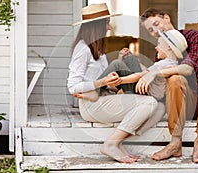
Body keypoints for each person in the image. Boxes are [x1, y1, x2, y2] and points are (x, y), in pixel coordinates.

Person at [67, 3, 165, 163]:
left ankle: (119, 138)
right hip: (91, 105)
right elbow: (72, 86)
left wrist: (119, 63)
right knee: (150, 103)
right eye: (106, 23)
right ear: (96, 26)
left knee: (159, 107)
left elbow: (105, 79)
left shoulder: (97, 47)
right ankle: (111, 144)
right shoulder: (82, 49)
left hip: (103, 96)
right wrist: (101, 83)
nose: (108, 27)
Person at [139, 8, 198, 163]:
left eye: (156, 24)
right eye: (150, 30)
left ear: (167, 18)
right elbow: (162, 88)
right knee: (174, 79)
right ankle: (175, 142)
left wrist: (155, 73)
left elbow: (188, 69)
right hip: (190, 104)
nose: (155, 31)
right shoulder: (161, 51)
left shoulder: (194, 37)